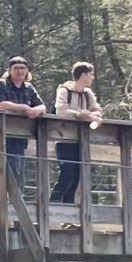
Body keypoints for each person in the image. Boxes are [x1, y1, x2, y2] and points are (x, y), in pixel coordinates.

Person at [0, 56, 46, 199]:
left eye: (23, 68)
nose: (20, 71)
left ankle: (16, 217)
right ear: (9, 70)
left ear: (27, 71)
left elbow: (42, 106)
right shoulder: (0, 85)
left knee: (18, 180)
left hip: (19, 142)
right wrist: (24, 108)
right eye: (16, 68)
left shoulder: (29, 88)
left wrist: (35, 111)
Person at [50, 61, 102, 205]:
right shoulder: (64, 91)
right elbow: (61, 111)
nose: (93, 78)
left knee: (76, 177)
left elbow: (96, 109)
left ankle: (67, 214)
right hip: (64, 139)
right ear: (83, 75)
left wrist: (94, 114)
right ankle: (50, 206)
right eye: (91, 74)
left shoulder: (87, 93)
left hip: (81, 141)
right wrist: (81, 114)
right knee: (67, 175)